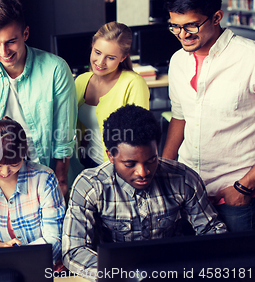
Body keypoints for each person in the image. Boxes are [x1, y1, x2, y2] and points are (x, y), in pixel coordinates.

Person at [62, 104, 226, 275]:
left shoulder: (183, 179)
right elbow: (74, 250)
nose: (143, 172)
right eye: (130, 164)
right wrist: (123, 275)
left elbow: (212, 230)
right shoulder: (90, 186)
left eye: (151, 160)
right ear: (110, 156)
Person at [162, 0, 255, 231]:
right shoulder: (177, 61)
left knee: (237, 269)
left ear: (216, 17)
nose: (183, 35)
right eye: (175, 27)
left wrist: (244, 186)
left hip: (235, 196)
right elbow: (180, 117)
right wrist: (163, 171)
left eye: (191, 26)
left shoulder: (250, 59)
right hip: (187, 193)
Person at [0, 0, 77, 196]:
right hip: (3, 169)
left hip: (46, 169)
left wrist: (60, 181)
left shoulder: (56, 69)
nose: (4, 51)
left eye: (10, 41)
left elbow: (63, 136)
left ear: (25, 33)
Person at [0, 117, 65, 264]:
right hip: (0, 263)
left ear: (23, 154)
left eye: (14, 163)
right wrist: (0, 246)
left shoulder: (44, 178)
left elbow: (55, 238)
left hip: (40, 264)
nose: (5, 172)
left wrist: (16, 257)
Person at [75, 21, 149, 167]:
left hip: (117, 167)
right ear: (92, 46)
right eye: (97, 52)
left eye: (110, 57)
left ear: (123, 58)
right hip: (85, 161)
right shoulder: (81, 80)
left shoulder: (133, 83)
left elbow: (140, 136)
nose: (100, 62)